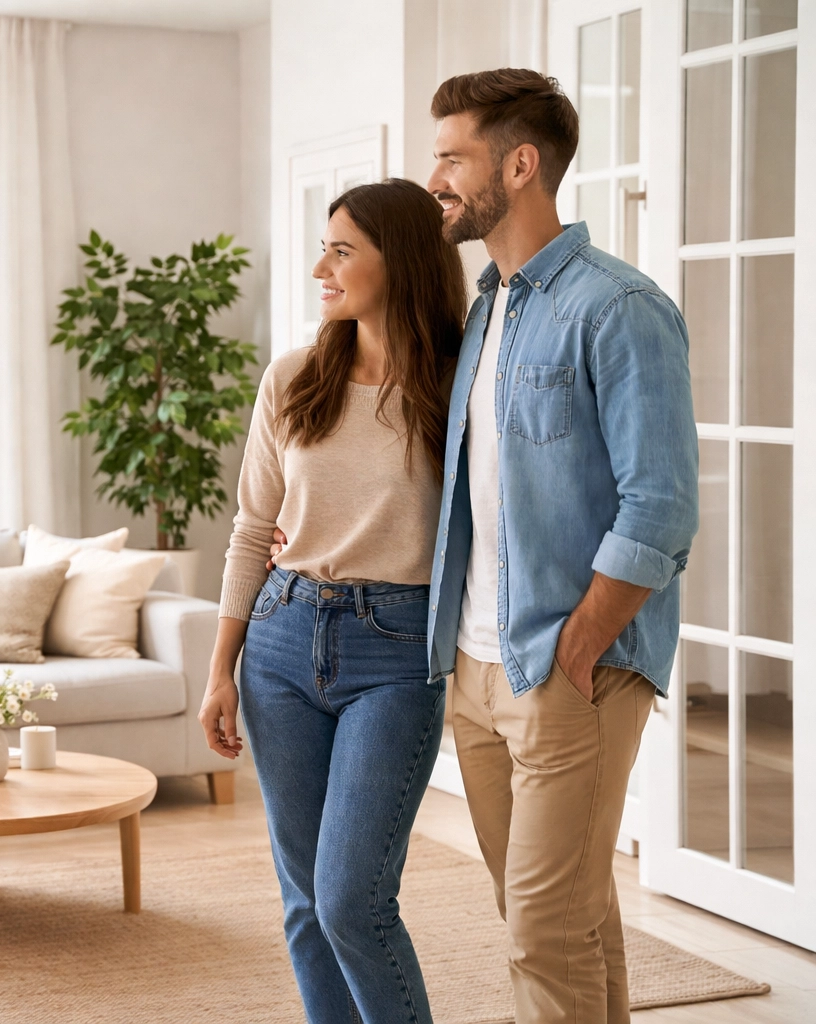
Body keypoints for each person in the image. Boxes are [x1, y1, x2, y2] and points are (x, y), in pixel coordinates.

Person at [424, 70, 697, 1022]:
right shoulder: (487, 305)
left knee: (542, 934)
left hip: (567, 669)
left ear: (521, 164)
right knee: (563, 920)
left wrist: (579, 645)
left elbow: (660, 506)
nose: (436, 180)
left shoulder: (620, 308)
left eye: (452, 157)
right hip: (477, 665)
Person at [199, 178, 466, 1023]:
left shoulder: (460, 383)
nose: (322, 266)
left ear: (403, 262)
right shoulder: (295, 377)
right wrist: (221, 669)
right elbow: (252, 528)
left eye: (343, 249)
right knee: (306, 902)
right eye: (325, 245)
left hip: (396, 653)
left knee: (352, 898)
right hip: (280, 642)